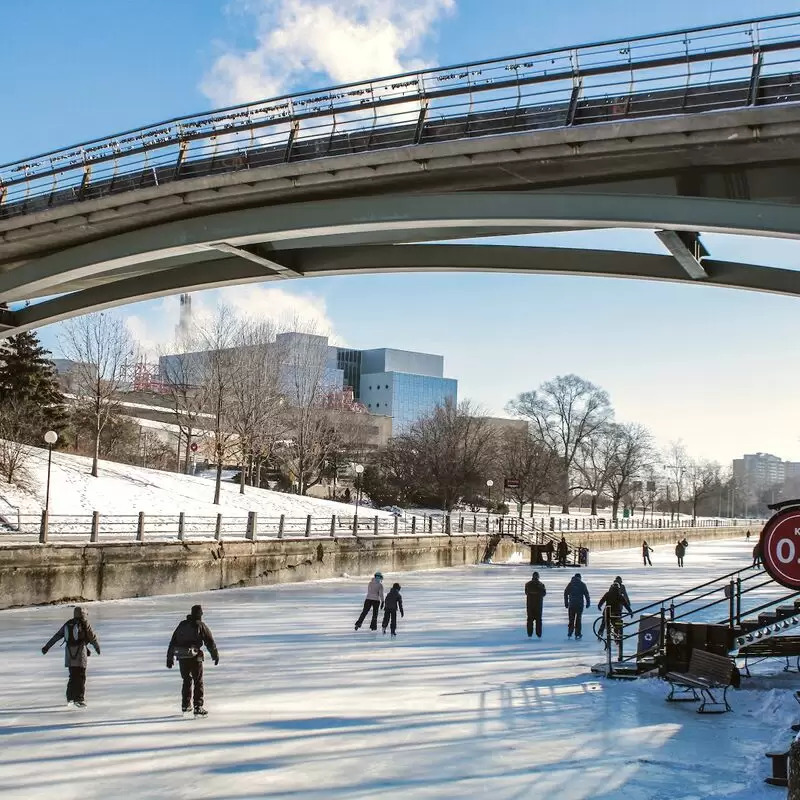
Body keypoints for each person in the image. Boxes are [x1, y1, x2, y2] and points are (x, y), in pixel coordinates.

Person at [42, 606, 100, 707]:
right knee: (81, 676)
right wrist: (97, 647)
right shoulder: (85, 624)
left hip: (69, 654)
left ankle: (70, 697)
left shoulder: (68, 623)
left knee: (72, 676)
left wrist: (47, 647)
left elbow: (57, 636)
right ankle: (79, 698)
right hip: (80, 654)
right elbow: (92, 637)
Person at [166, 604, 219, 716]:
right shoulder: (200, 625)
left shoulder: (182, 625)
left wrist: (169, 658)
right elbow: (209, 641)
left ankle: (186, 705)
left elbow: (173, 641)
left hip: (182, 657)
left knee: (186, 680)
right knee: (198, 681)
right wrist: (215, 655)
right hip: (195, 657)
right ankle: (198, 706)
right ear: (200, 614)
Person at [598, 578, 633, 645]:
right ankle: (616, 639)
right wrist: (630, 611)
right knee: (616, 626)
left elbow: (602, 600)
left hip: (607, 612)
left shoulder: (608, 593)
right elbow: (625, 604)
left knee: (604, 623)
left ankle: (600, 633)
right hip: (616, 613)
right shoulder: (620, 596)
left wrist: (599, 606)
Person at [564, 573, 591, 639]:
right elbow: (586, 594)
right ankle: (577, 633)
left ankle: (570, 632)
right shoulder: (582, 584)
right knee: (578, 619)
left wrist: (566, 603)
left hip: (572, 605)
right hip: (579, 605)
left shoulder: (570, 584)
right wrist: (588, 603)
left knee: (571, 619)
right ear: (580, 578)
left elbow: (565, 593)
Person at [524, 571, 547, 638]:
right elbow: (544, 594)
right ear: (538, 577)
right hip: (538, 604)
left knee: (530, 619)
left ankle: (529, 633)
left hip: (530, 604)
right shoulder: (541, 584)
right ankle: (538, 634)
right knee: (539, 620)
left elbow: (526, 592)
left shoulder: (528, 584)